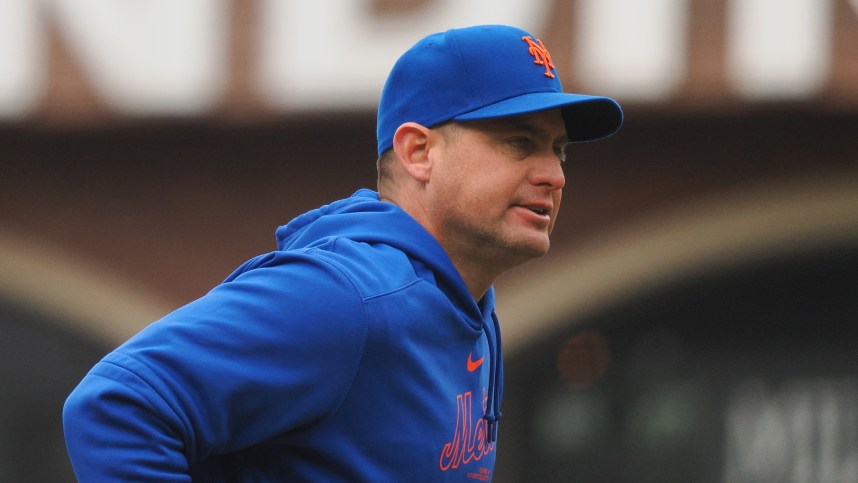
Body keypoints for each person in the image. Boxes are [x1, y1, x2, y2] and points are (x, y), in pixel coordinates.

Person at [63, 24, 622, 481]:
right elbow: (118, 405)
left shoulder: (473, 305)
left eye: (560, 151)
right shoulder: (347, 297)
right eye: (519, 143)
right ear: (418, 152)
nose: (552, 175)